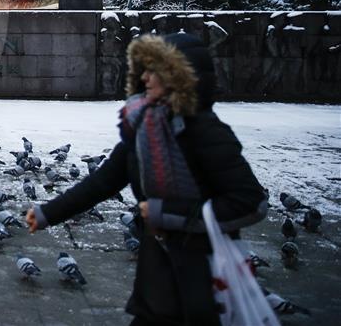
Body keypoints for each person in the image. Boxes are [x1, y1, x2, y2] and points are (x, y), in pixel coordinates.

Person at [26, 33, 269, 325]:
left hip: (202, 276)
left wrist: (165, 213)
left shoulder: (207, 132)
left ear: (176, 75)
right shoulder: (145, 127)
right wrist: (46, 214)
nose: (144, 77)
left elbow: (250, 202)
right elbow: (103, 181)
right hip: (158, 269)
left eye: (153, 70)